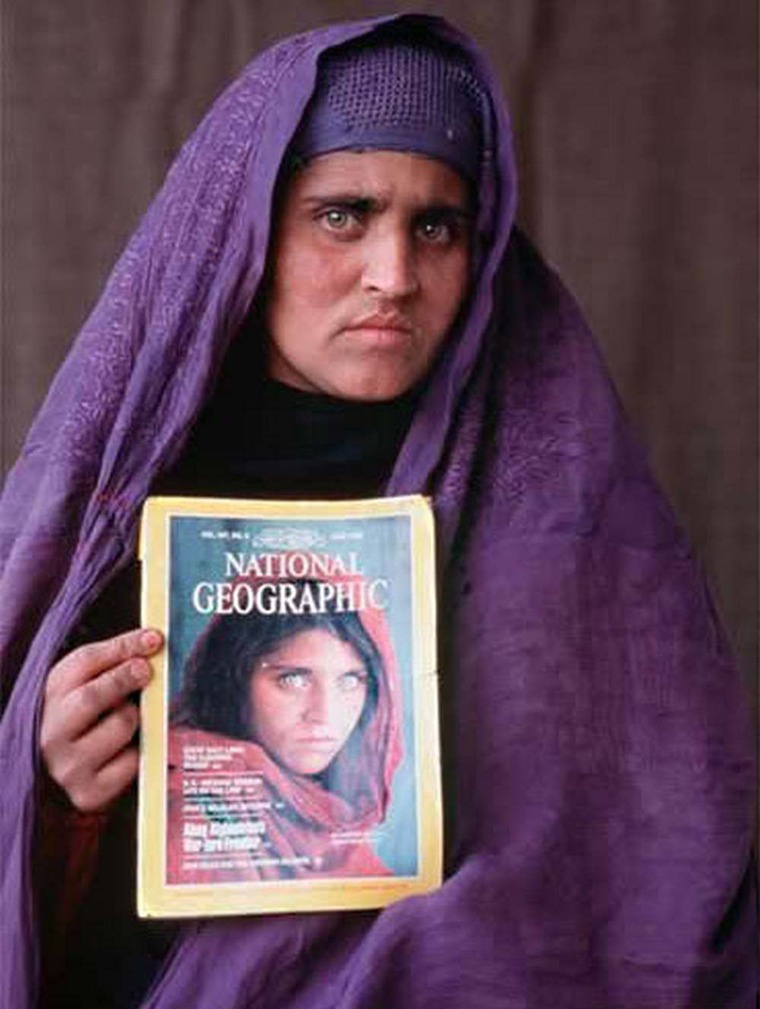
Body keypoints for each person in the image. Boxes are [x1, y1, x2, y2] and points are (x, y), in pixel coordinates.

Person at [0, 13, 755, 1009]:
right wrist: (57, 792)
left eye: (436, 226)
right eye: (342, 215)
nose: (393, 276)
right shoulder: (112, 513)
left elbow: (662, 867)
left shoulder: (561, 511)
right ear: (250, 230)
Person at [166, 577, 401, 883]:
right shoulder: (191, 813)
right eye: (293, 679)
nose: (324, 714)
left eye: (349, 681)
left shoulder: (335, 813)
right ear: (233, 679)